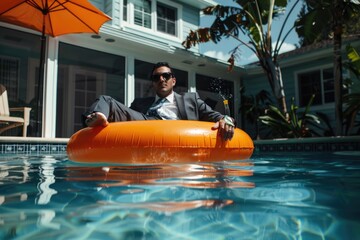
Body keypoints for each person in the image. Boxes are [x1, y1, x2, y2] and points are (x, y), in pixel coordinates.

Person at [82, 62, 235, 140]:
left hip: (176, 133)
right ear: (153, 83)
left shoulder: (191, 99)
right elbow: (125, 121)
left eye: (166, 76)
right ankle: (94, 118)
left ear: (173, 81)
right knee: (106, 99)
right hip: (146, 124)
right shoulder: (140, 103)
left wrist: (226, 119)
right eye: (156, 77)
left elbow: (216, 116)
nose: (161, 79)